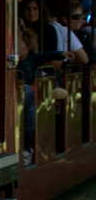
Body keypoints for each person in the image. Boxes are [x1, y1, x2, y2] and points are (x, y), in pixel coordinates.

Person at [17, 28, 73, 166]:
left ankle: (27, 150)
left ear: (29, 46)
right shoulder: (10, 61)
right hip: (14, 94)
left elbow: (47, 55)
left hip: (27, 95)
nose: (18, 48)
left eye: (21, 45)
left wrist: (62, 54)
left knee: (27, 119)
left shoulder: (33, 58)